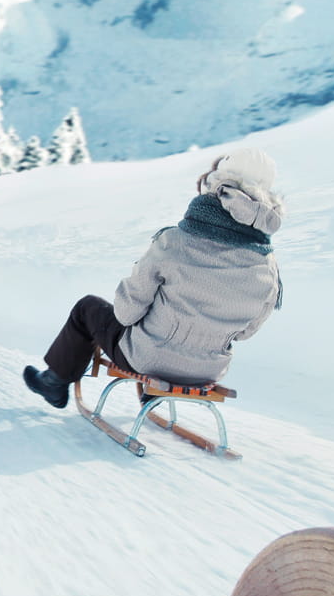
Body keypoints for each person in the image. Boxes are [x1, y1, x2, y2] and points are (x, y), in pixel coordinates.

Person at [24, 148, 284, 407]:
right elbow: (244, 333)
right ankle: (155, 394)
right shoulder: (268, 266)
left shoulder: (175, 241)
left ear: (216, 188)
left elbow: (126, 313)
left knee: (87, 308)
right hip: (208, 371)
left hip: (149, 360)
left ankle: (54, 383)